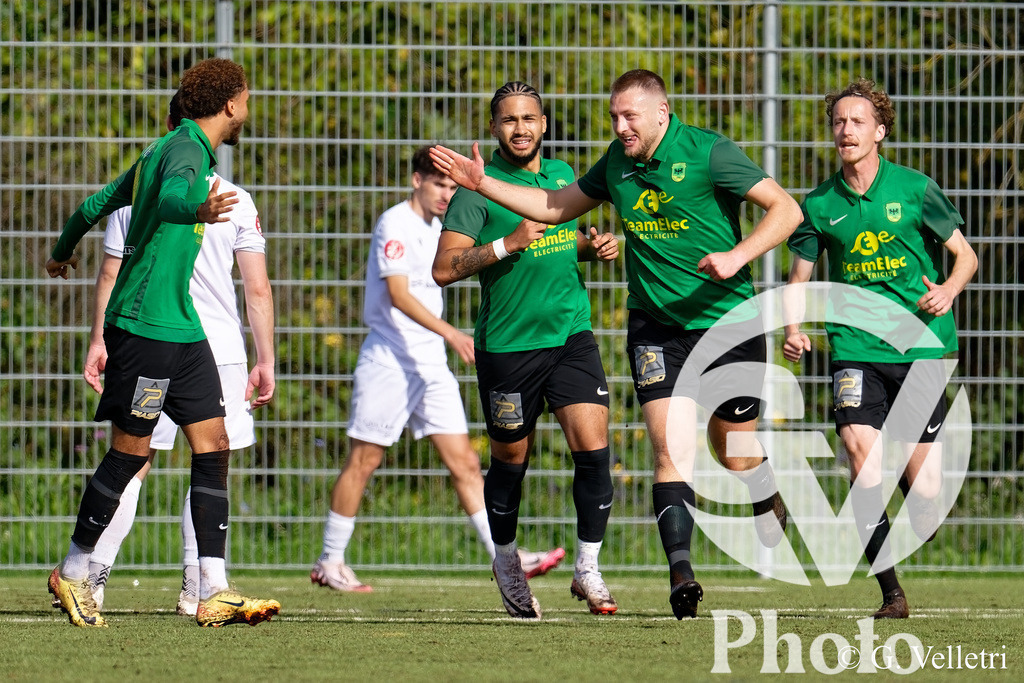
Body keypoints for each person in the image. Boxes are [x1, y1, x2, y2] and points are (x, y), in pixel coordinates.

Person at [430, 69, 802, 619]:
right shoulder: (615, 162)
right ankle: (680, 575)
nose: (620, 126)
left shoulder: (709, 152)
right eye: (614, 117)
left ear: (662, 112)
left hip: (725, 321)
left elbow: (788, 210)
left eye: (629, 116)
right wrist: (481, 185)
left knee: (733, 448)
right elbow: (554, 209)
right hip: (649, 328)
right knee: (669, 451)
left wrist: (738, 257)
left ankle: (761, 488)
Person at [44, 58, 279, 628]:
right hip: (145, 328)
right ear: (230, 104)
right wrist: (194, 208)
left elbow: (92, 205)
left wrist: (61, 248)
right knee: (130, 454)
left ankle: (213, 590)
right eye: (246, 99)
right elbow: (175, 197)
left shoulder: (163, 149)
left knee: (214, 445)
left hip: (185, 331)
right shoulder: (185, 150)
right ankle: (73, 572)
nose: (248, 109)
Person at [310, 146, 564, 594]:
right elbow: (399, 296)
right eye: (439, 184)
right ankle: (330, 561)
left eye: (452, 186)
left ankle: (506, 557)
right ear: (417, 181)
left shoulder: (439, 228)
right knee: (364, 460)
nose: (447, 194)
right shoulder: (395, 223)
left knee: (466, 462)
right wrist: (452, 333)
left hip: (431, 365)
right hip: (390, 359)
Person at [782, 78, 977, 619]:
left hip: (919, 349)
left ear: (880, 132)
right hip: (854, 348)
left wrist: (948, 289)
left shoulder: (914, 189)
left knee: (927, 497)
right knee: (861, 464)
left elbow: (966, 256)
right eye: (839, 122)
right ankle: (892, 594)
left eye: (858, 122)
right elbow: (799, 279)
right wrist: (793, 329)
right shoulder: (818, 204)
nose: (846, 130)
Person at [433, 82, 621, 620]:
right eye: (509, 120)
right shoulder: (477, 191)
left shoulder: (562, 178)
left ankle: (588, 568)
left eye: (529, 118)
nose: (520, 128)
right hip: (509, 349)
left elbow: (564, 241)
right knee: (510, 460)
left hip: (571, 338)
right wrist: (505, 244)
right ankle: (507, 559)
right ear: (495, 129)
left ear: (544, 124)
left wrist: (593, 246)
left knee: (594, 450)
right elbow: (444, 269)